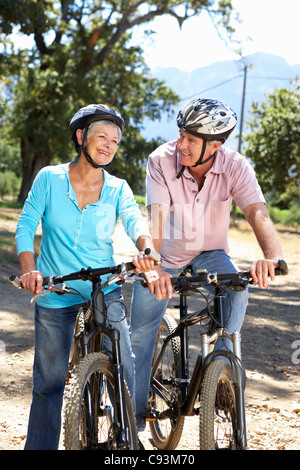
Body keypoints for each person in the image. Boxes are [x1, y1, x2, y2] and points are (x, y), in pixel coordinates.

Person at [130, 97, 284, 433]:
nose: (180, 145)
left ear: (214, 146)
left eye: (191, 140)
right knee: (140, 333)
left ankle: (220, 370)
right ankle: (134, 423)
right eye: (181, 134)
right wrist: (153, 265)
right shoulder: (161, 160)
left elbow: (256, 211)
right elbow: (156, 217)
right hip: (166, 254)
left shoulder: (235, 165)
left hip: (211, 253)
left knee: (237, 289)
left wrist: (273, 257)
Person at [15, 104, 155, 450]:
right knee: (48, 382)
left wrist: (147, 248)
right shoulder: (49, 178)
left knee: (121, 357)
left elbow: (136, 221)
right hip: (55, 288)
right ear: (81, 138)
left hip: (103, 286)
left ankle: (126, 438)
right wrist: (29, 269)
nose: (109, 145)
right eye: (102, 137)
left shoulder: (118, 187)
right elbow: (26, 226)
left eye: (115, 141)